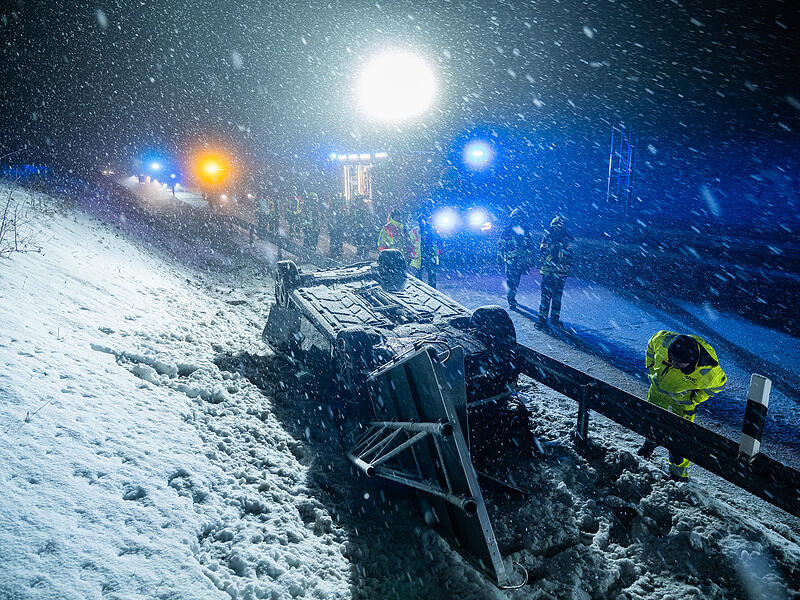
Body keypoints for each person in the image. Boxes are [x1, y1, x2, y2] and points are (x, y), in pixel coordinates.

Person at [638, 331, 727, 481]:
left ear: (691, 362)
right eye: (672, 359)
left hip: (682, 403)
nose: (673, 364)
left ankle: (678, 473)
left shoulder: (709, 370)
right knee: (652, 421)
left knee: (680, 438)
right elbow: (651, 345)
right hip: (657, 392)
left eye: (679, 363)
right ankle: (650, 444)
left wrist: (694, 399)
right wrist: (651, 367)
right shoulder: (663, 340)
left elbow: (719, 385)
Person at [537, 215, 573, 328]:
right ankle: (543, 320)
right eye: (556, 227)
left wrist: (560, 260)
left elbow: (570, 255)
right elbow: (543, 252)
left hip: (558, 273)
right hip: (551, 272)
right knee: (548, 297)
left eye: (559, 227)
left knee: (555, 298)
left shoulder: (564, 238)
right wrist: (553, 259)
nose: (558, 229)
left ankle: (553, 319)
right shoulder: (549, 237)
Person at [497, 208, 535, 310]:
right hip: (510, 260)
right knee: (510, 280)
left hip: (520, 261)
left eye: (520, 218)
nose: (518, 220)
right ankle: (511, 300)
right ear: (512, 219)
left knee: (516, 280)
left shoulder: (524, 231)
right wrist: (500, 257)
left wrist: (530, 259)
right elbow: (501, 245)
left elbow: (530, 246)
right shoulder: (507, 231)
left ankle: (512, 297)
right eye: (516, 218)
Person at [409, 211, 440, 287]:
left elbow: (438, 241)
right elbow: (410, 243)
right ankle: (425, 288)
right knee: (424, 274)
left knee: (426, 274)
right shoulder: (416, 231)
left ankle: (427, 288)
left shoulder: (431, 230)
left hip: (426, 254)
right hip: (422, 255)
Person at [327, 193, 347, 260]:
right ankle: (335, 250)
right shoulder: (334, 208)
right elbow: (330, 218)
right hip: (336, 226)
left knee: (337, 238)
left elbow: (344, 217)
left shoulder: (337, 208)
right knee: (336, 238)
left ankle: (336, 250)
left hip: (337, 226)